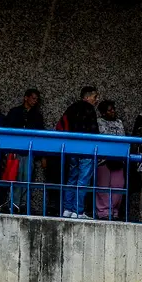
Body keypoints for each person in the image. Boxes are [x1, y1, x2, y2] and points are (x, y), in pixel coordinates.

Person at [58, 86, 99, 219]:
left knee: (72, 178)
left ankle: (67, 209)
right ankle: (78, 211)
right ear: (87, 97)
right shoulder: (89, 109)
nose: (96, 100)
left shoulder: (72, 108)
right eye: (95, 97)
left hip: (72, 147)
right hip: (87, 148)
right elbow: (93, 130)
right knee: (83, 180)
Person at [4, 89, 47, 214]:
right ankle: (13, 203)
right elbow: (7, 130)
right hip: (15, 149)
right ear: (26, 98)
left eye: (37, 99)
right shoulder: (15, 112)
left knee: (27, 177)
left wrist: (42, 155)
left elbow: (40, 135)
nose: (35, 101)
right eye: (33, 98)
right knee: (15, 176)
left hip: (29, 150)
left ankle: (23, 204)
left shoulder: (37, 115)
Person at [95, 100, 127, 220]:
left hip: (118, 157)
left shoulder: (119, 122)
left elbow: (123, 137)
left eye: (113, 109)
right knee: (103, 186)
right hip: (103, 158)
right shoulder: (99, 122)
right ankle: (103, 212)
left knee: (118, 185)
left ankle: (114, 211)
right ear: (103, 112)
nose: (113, 111)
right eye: (110, 110)